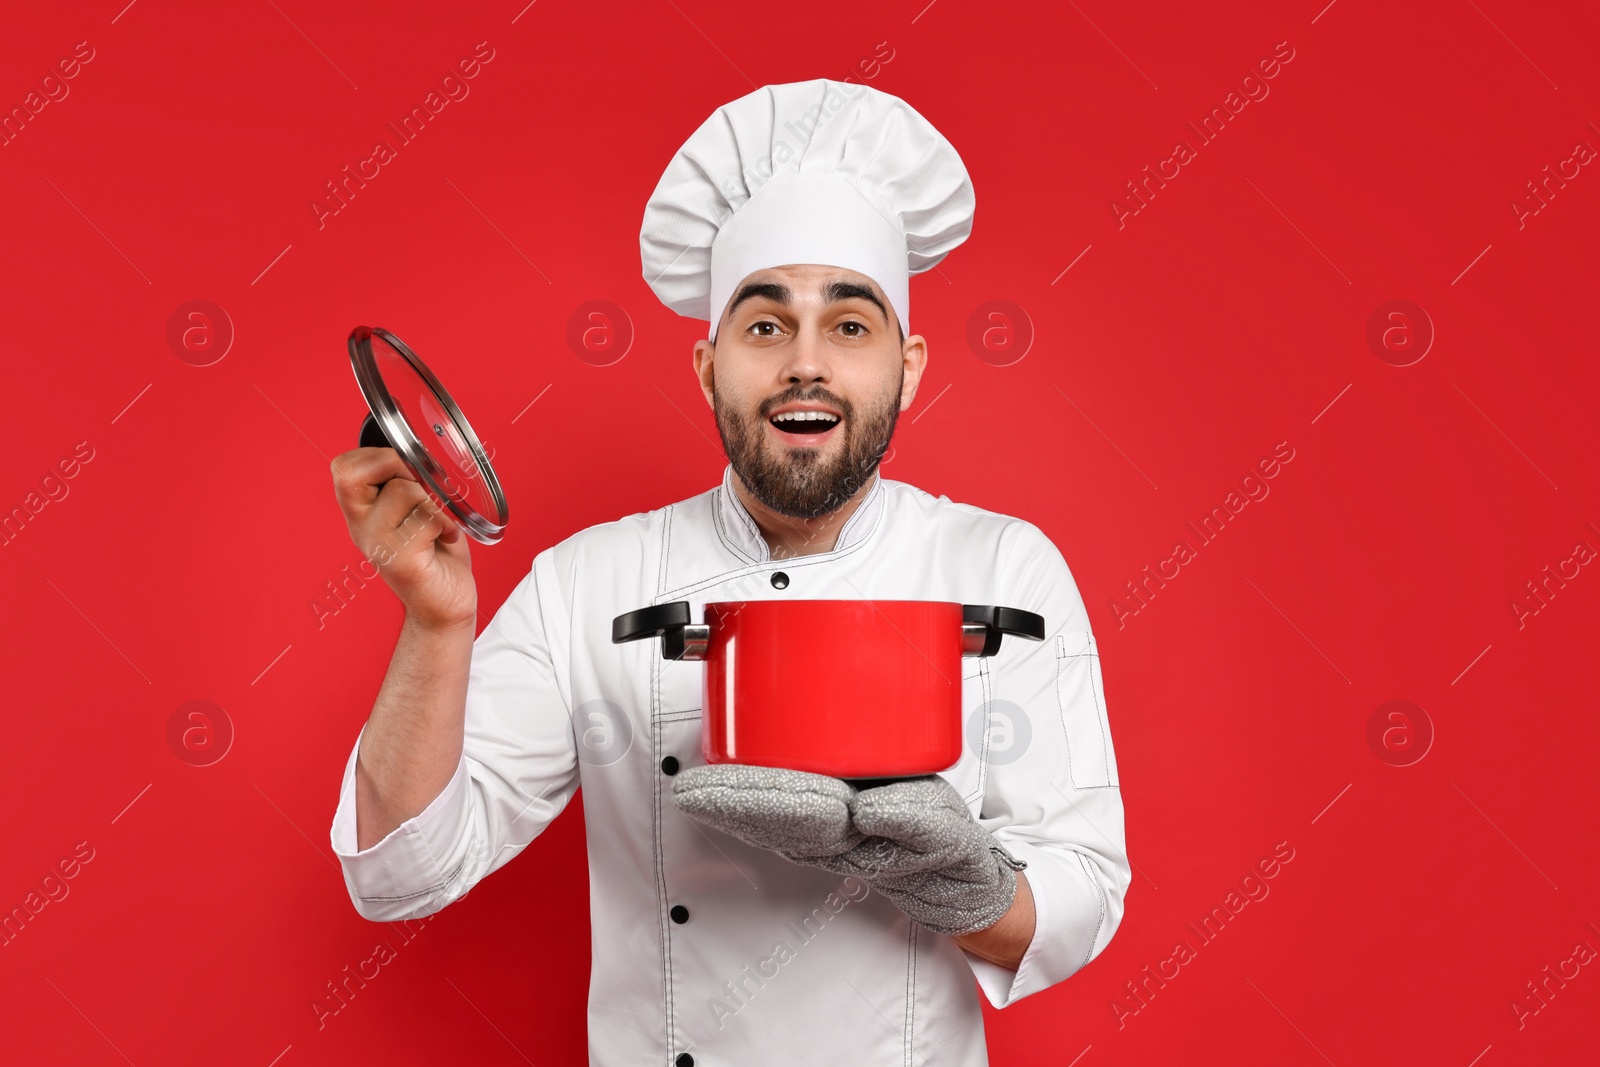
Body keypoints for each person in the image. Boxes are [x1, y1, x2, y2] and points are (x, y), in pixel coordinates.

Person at [327, 78, 1129, 1067]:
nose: (804, 364)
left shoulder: (1003, 564)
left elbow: (1085, 886)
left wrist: (967, 887)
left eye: (848, 325)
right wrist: (436, 626)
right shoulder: (588, 582)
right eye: (762, 325)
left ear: (908, 365)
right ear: (707, 365)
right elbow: (399, 873)